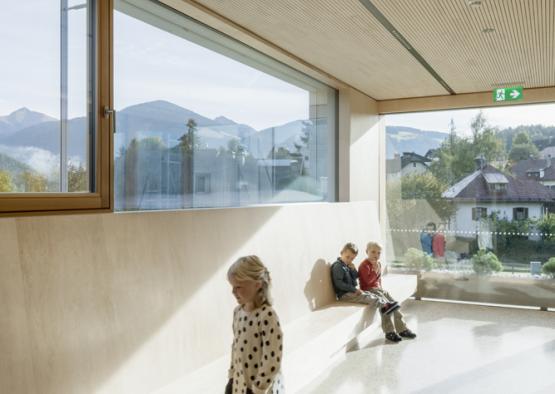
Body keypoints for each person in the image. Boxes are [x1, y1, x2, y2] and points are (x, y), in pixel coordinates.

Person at [226, 256, 285, 394]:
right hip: (240, 386)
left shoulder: (267, 315)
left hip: (262, 389)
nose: (233, 291)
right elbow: (235, 348)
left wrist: (258, 388)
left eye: (238, 287)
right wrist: (232, 378)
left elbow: (272, 358)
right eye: (232, 287)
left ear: (257, 284)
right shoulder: (238, 313)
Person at [330, 242, 402, 343]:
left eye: (352, 258)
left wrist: (353, 269)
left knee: (369, 295)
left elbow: (355, 277)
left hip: (351, 292)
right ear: (341, 252)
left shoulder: (346, 265)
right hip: (345, 295)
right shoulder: (338, 266)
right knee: (366, 296)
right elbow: (339, 284)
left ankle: (386, 306)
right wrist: (354, 289)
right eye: (347, 257)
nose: (349, 260)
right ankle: (385, 305)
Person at [358, 242, 417, 342]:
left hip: (379, 290)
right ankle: (389, 332)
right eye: (373, 252)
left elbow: (378, 280)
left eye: (378, 253)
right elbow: (368, 282)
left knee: (395, 305)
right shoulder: (364, 265)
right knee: (386, 308)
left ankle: (402, 329)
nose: (376, 255)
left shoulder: (378, 264)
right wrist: (375, 270)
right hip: (369, 290)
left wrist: (382, 289)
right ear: (366, 252)